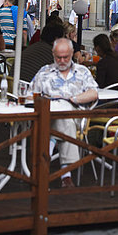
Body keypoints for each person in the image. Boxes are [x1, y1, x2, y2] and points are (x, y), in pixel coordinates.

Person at [30, 38, 98, 188]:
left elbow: (94, 93)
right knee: (61, 118)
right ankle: (66, 174)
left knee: (64, 110)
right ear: (53, 54)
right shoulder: (44, 72)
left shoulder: (82, 71)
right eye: (58, 57)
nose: (62, 60)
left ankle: (43, 166)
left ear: (72, 53)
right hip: (48, 115)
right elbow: (31, 95)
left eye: (65, 57)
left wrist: (72, 99)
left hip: (76, 116)